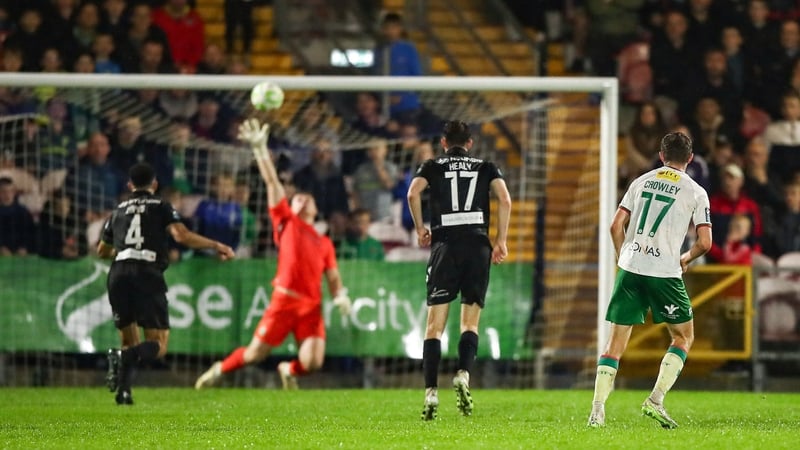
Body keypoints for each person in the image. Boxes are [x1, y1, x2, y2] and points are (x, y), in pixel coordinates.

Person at [194, 119, 352, 390]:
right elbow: (271, 181)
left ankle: (288, 369)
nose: (301, 200)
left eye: (306, 199)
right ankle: (219, 369)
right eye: (296, 199)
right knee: (255, 354)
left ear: (315, 208)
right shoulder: (287, 223)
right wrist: (259, 149)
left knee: (313, 362)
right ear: (290, 206)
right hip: (284, 301)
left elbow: (333, 275)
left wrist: (340, 296)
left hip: (311, 307)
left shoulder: (324, 242)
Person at [587, 132, 712, 429]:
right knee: (683, 336)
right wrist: (686, 258)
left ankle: (597, 411)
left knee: (614, 343)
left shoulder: (641, 181)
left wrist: (623, 257)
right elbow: (705, 243)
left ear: (661, 155)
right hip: (664, 271)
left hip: (631, 267)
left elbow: (616, 225)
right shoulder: (695, 191)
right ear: (690, 158)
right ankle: (655, 400)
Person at [98, 163, 234, 405]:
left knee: (129, 339)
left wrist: (127, 251)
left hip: (118, 273)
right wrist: (215, 245)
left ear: (130, 186)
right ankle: (121, 357)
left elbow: (102, 251)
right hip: (146, 272)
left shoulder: (117, 210)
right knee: (158, 345)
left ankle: (124, 392)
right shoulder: (161, 206)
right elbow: (181, 235)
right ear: (155, 185)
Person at [407, 121, 511, 420]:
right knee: (470, 324)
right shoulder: (486, 166)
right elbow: (505, 199)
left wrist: (419, 229)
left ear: (443, 142)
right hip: (477, 245)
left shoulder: (432, 164)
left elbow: (413, 194)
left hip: (445, 245)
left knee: (434, 327)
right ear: (470, 142)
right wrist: (500, 240)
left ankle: (430, 393)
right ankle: (463, 375)